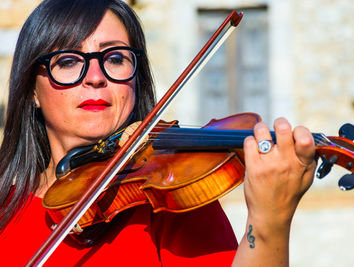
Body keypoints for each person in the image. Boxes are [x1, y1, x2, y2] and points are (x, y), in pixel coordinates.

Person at [0, 0, 316, 266]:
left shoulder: (171, 202)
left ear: (136, 80)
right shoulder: (5, 212)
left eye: (114, 58)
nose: (95, 77)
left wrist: (269, 222)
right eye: (68, 61)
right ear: (32, 90)